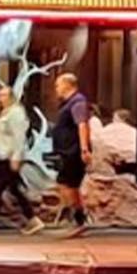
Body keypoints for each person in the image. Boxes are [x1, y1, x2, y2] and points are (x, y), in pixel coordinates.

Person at [0, 85, 43, 236]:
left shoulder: (16, 113)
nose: (1, 98)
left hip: (8, 158)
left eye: (5, 95)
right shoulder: (1, 113)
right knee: (15, 189)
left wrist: (16, 157)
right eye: (0, 95)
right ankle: (33, 219)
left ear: (11, 97)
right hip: (1, 157)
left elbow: (18, 137)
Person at [50, 72, 93, 237]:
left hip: (73, 152)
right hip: (67, 151)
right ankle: (77, 219)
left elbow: (82, 124)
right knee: (68, 184)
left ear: (68, 85)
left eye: (58, 85)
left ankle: (78, 220)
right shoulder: (69, 103)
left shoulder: (78, 102)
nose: (56, 89)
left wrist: (84, 149)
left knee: (67, 184)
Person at [97, 108, 137, 175]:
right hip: (132, 161)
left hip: (113, 162)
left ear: (117, 118)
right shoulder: (134, 131)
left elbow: (100, 142)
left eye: (114, 118)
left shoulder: (109, 128)